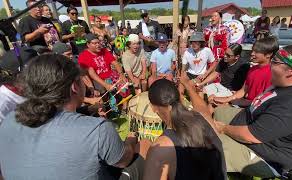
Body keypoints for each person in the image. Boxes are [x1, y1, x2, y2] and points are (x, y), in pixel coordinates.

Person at [0, 54, 138, 179]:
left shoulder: (9, 120)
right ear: (74, 87)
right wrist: (131, 139)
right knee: (142, 149)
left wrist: (88, 110)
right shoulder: (98, 130)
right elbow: (123, 160)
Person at [213, 44, 292, 178]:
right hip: (249, 121)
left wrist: (224, 129)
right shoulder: (286, 83)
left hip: (264, 155)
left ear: (291, 70)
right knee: (217, 112)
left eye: (275, 62)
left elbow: (250, 136)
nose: (270, 65)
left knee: (204, 146)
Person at [143, 77, 227, 180]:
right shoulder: (202, 118)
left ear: (153, 108)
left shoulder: (162, 147)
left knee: (143, 146)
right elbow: (202, 107)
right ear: (180, 98)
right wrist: (186, 84)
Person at [210, 37, 278, 107]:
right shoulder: (253, 69)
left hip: (254, 108)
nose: (252, 54)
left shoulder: (272, 73)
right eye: (253, 51)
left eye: (256, 52)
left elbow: (262, 102)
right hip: (246, 103)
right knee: (212, 101)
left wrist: (229, 101)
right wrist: (228, 99)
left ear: (268, 54)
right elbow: (243, 90)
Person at [78, 34, 129, 98]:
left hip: (110, 75)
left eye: (98, 42)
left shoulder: (104, 50)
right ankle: (112, 105)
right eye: (95, 43)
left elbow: (115, 63)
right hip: (97, 79)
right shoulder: (83, 56)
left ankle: (125, 105)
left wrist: (121, 74)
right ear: (88, 45)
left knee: (123, 84)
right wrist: (106, 84)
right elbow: (92, 74)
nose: (98, 45)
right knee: (104, 90)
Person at [178, 32, 216, 99]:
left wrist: (206, 74)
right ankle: (181, 100)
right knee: (181, 83)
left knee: (190, 84)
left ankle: (196, 103)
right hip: (189, 73)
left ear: (201, 42)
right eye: (192, 42)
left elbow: (214, 63)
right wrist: (182, 76)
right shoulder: (187, 52)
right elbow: (183, 68)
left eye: (196, 42)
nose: (194, 44)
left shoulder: (207, 50)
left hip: (200, 75)